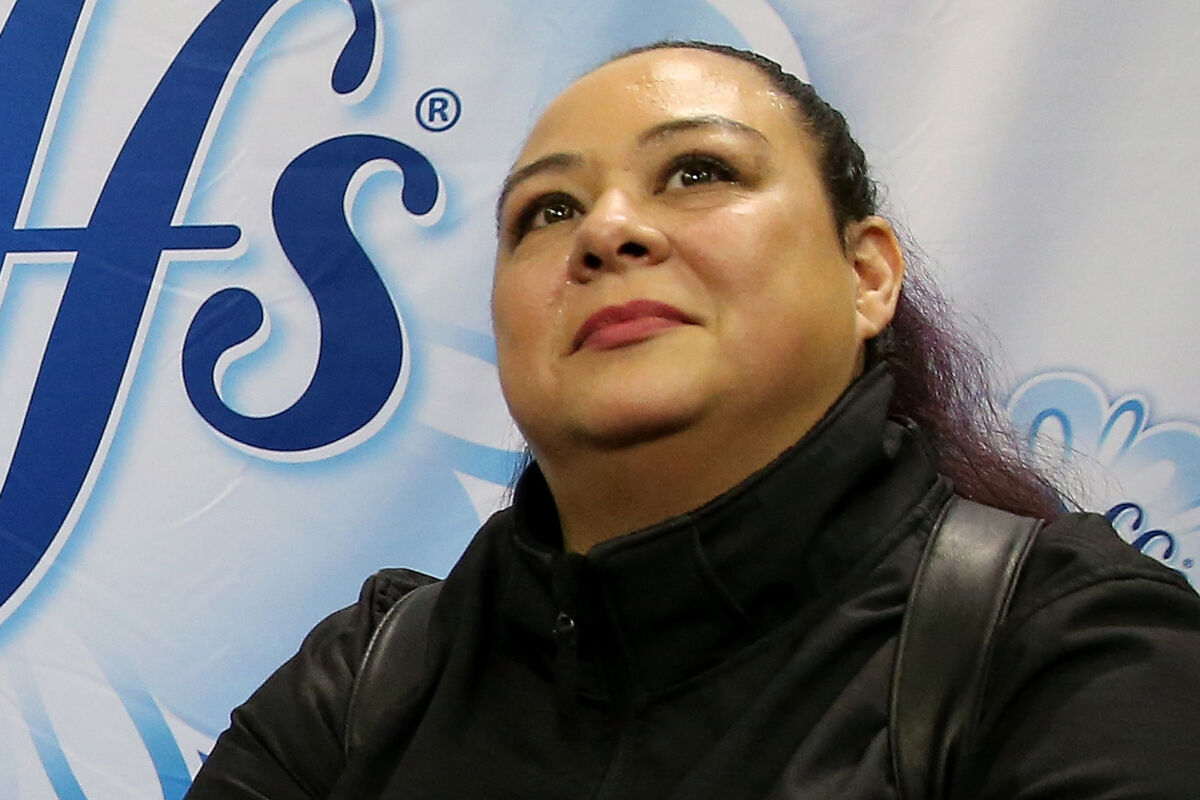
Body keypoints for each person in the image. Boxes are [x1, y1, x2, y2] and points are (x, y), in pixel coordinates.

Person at [186, 41, 1200, 799]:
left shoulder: (1068, 646)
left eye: (698, 173)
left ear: (867, 275)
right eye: (547, 211)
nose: (607, 230)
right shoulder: (361, 684)